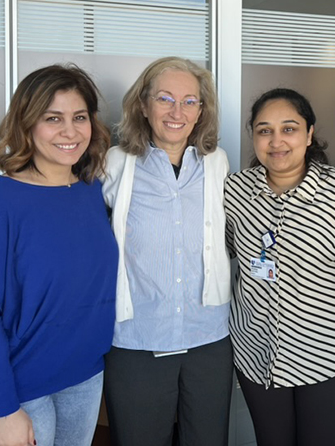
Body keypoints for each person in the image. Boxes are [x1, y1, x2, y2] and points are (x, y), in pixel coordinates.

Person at [0, 64, 118, 446]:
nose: (69, 131)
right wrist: (4, 409)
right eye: (52, 118)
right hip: (17, 385)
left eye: (79, 117)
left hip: (83, 375)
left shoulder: (92, 191)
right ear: (27, 124)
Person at [224, 88, 335, 446]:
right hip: (257, 355)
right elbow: (218, 254)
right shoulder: (235, 191)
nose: (276, 141)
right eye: (264, 130)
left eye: (288, 129)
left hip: (330, 355)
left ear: (308, 134)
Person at [101, 57, 233, 446]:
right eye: (165, 99)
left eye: (190, 101)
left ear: (201, 111)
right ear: (143, 105)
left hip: (207, 337)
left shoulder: (217, 164)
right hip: (137, 339)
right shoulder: (114, 165)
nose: (178, 111)